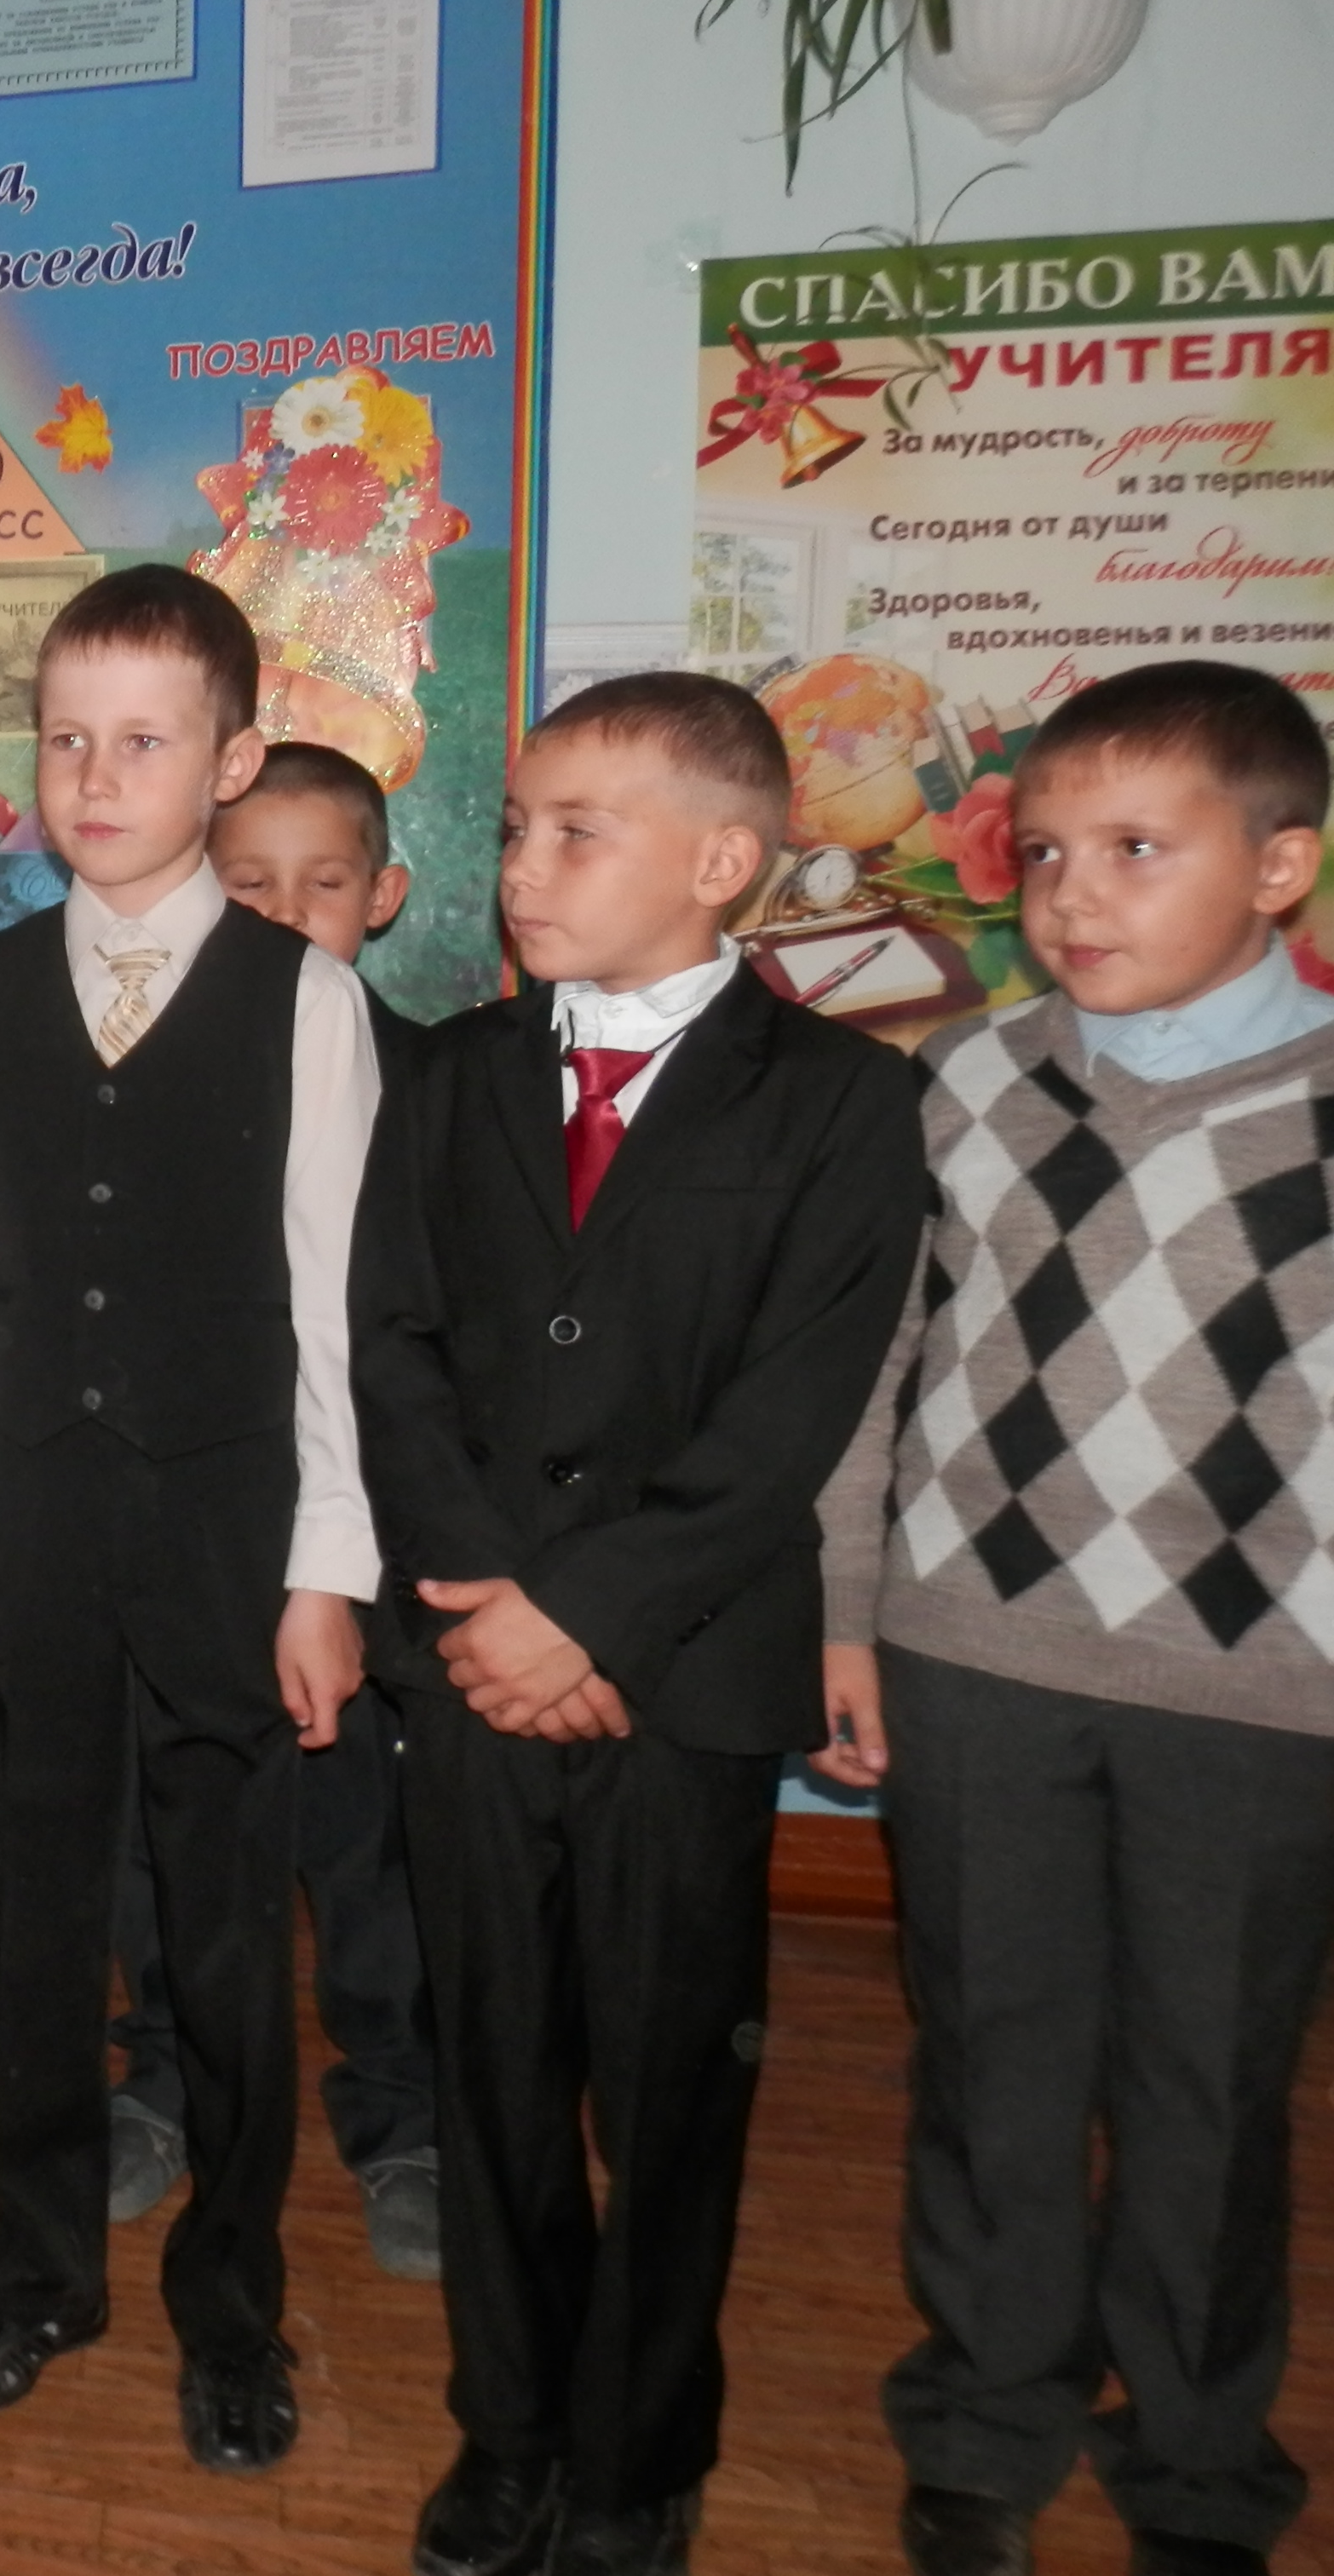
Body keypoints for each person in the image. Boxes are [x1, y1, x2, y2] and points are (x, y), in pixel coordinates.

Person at [353, 671, 924, 2576]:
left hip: (679, 1680)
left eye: (572, 834)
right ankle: (507, 2422)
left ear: (721, 861)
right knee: (492, 2063)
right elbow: (390, 1348)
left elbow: (787, 1415)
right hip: (465, 1667)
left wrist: (582, 1620)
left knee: (671, 2081)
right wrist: (486, 1611)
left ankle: (634, 2448)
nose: (518, 866)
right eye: (515, 828)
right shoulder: (450, 1076)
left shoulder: (842, 1102)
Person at [815, 662, 1334, 2576]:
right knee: (990, 2057)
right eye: (1040, 854)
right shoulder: (962, 1081)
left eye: (1132, 850)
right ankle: (983, 2411)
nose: (1069, 896)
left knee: (1207, 2086)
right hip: (972, 1661)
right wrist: (843, 1614)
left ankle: (1195, 2457)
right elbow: (873, 1376)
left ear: (1276, 865)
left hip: (1260, 1696)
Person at [0, 568, 381, 2452]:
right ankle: (33, 2273)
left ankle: (230, 2308)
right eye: (65, 740)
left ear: (229, 762)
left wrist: (323, 1570)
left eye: (143, 742)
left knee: (227, 1934)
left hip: (222, 1531)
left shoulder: (304, 1000)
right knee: (29, 1915)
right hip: (25, 1517)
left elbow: (332, 1308)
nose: (95, 779)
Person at [104, 742, 441, 2276]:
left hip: (362, 1544)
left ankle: (404, 2114)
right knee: (160, 1832)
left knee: (364, 1849)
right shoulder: (135, 1082)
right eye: (249, 886)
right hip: (180, 1529)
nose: (289, 917)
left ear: (383, 897)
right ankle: (162, 2079)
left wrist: (363, 1560)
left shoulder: (435, 1084)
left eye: (324, 885)